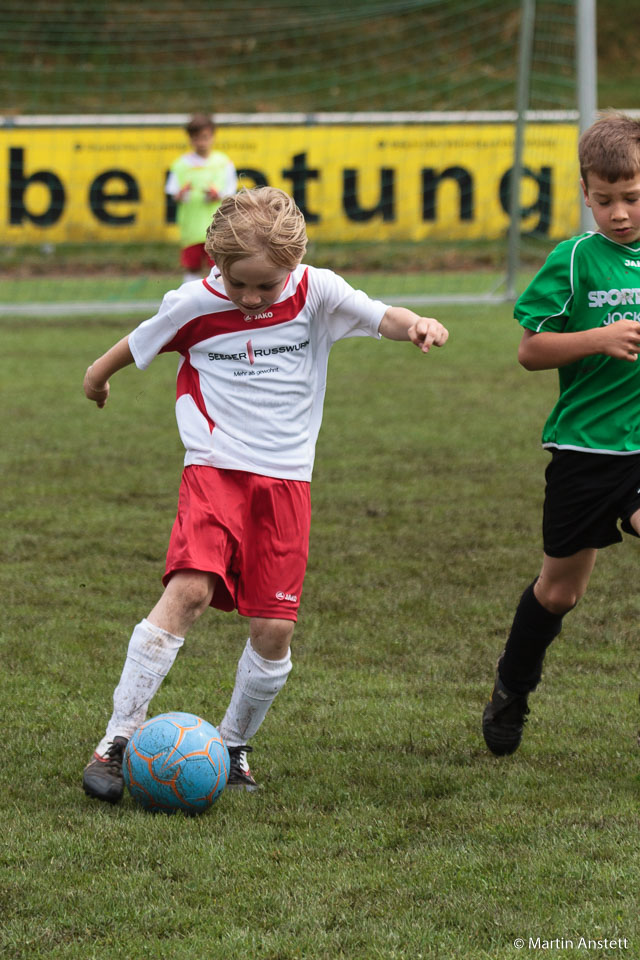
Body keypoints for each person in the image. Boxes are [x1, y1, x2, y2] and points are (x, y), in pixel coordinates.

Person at [81, 185, 450, 802]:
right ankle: (117, 741)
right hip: (214, 469)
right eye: (238, 283)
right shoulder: (193, 302)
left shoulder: (317, 291)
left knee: (273, 630)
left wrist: (417, 324)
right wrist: (96, 378)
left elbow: (378, 314)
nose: (251, 298)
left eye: (266, 286)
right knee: (189, 590)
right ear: (214, 264)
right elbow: (136, 344)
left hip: (286, 483)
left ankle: (232, 746)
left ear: (292, 268)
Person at [482, 110, 640, 757]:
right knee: (560, 591)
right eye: (605, 200)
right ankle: (512, 689)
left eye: (631, 197)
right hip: (583, 450)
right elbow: (531, 350)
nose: (619, 212)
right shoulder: (575, 261)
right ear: (585, 193)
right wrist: (598, 340)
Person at [166, 113, 238, 282]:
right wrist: (181, 194)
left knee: (218, 268)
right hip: (191, 228)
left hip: (218, 227)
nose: (201, 142)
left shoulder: (223, 163)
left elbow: (231, 193)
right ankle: (191, 304)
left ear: (212, 136)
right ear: (190, 139)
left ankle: (218, 303)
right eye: (196, 138)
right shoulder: (181, 165)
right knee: (192, 268)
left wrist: (217, 195)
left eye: (205, 137)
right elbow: (173, 193)